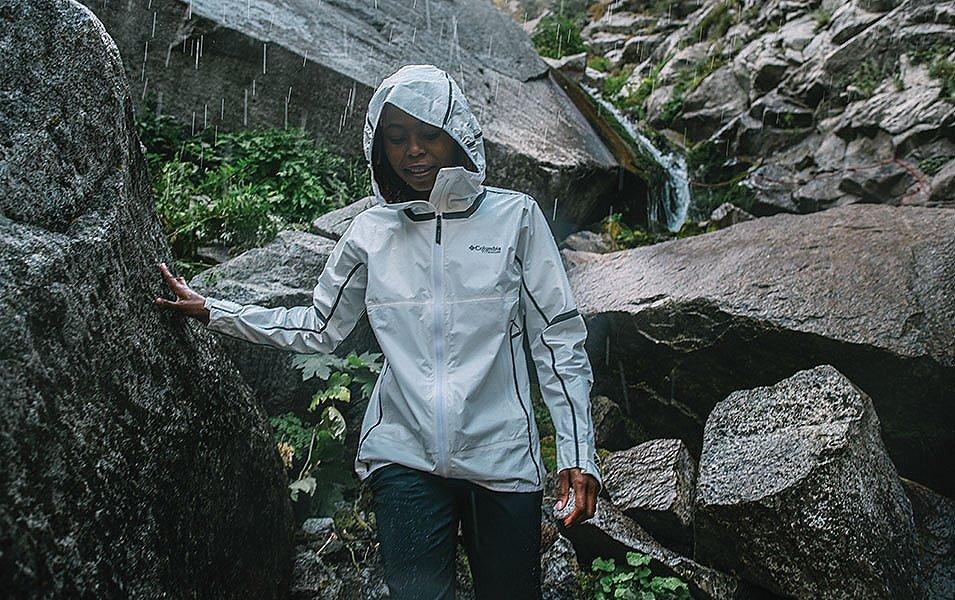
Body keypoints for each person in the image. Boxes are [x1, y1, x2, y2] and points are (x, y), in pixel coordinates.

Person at [154, 63, 601, 599]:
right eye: (396, 138)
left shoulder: (515, 220)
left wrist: (577, 453)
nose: (413, 150)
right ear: (378, 145)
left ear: (457, 131)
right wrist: (214, 310)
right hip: (404, 456)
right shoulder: (371, 232)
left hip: (502, 457)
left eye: (428, 134)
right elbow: (318, 328)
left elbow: (556, 338)